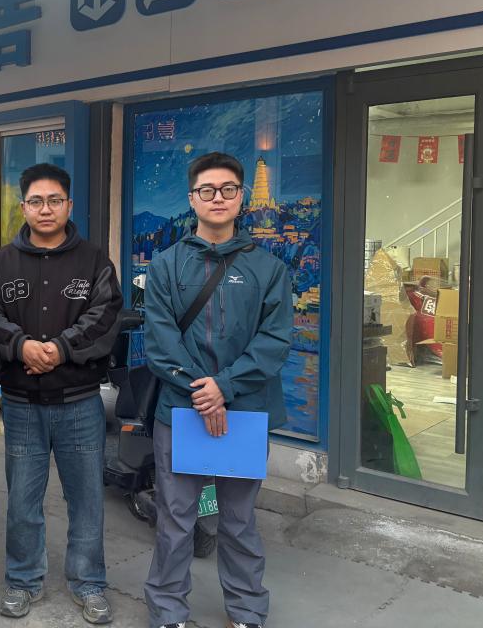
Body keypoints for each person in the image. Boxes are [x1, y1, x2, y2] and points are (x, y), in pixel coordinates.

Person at [142, 152, 292, 628]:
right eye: (207, 190)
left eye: (228, 189)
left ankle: (246, 611)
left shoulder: (268, 269)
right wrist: (202, 393)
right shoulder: (167, 265)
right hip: (179, 411)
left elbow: (274, 341)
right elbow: (159, 341)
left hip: (245, 411)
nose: (218, 198)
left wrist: (224, 388)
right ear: (192, 199)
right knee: (175, 519)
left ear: (241, 197)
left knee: (239, 519)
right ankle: (167, 611)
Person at [0, 163, 123, 625]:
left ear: (69, 205)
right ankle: (23, 580)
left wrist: (60, 349)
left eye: (55, 201)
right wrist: (20, 346)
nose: (46, 209)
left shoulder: (95, 261)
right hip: (21, 403)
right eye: (36, 201)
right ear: (23, 207)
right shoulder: (0, 263)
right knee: (22, 503)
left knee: (86, 501)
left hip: (80, 402)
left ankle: (89, 582)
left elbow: (105, 317)